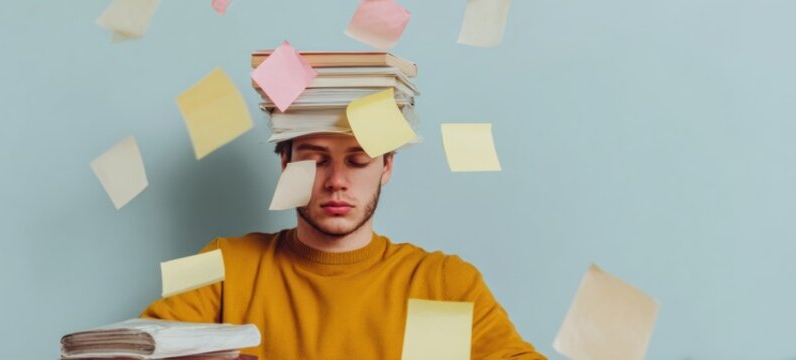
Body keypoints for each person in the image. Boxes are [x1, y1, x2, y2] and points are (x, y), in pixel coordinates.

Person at [140, 131, 547, 359]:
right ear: (286, 163)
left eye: (357, 161)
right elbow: (139, 344)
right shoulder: (219, 260)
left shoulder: (446, 281)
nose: (337, 180)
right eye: (317, 160)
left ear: (386, 167)